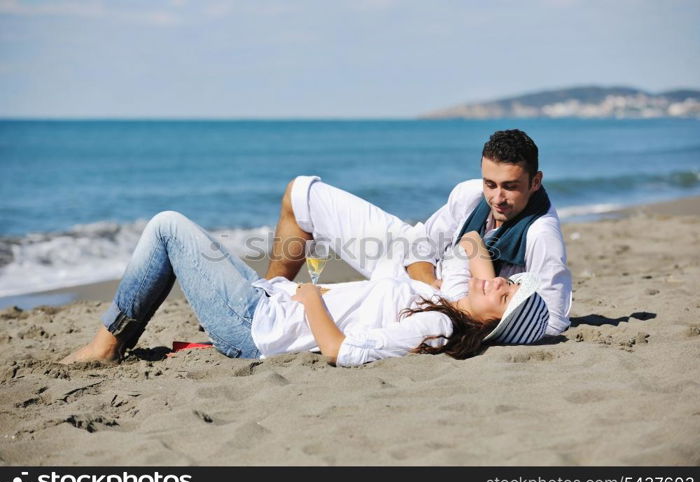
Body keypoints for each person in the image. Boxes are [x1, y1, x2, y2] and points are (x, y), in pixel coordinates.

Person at [60, 210, 549, 367]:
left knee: (168, 227)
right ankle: (115, 337)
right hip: (268, 304)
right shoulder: (452, 297)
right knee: (218, 248)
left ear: (493, 323)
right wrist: (496, 282)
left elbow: (343, 352)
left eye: (505, 295)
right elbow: (469, 243)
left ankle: (106, 344)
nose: (504, 281)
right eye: (508, 282)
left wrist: (312, 297)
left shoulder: (438, 321)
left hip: (256, 326)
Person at [264, 129, 571, 337]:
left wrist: (473, 320)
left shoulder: (541, 234)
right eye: (490, 183)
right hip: (412, 271)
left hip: (435, 307)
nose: (497, 198)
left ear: (535, 182)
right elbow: (419, 243)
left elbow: (554, 322)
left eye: (510, 186)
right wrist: (428, 279)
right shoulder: (469, 195)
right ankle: (265, 294)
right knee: (301, 192)